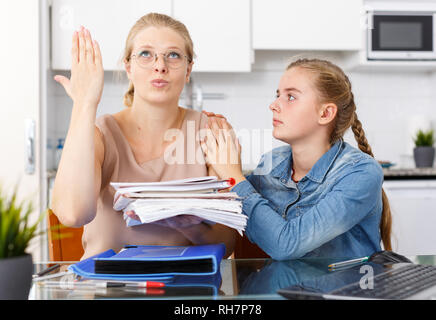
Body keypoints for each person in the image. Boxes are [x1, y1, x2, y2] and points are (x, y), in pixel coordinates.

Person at [50, 13, 236, 259]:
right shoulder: (99, 134)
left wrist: (186, 223)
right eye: (146, 54)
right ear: (128, 66)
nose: (160, 66)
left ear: (188, 69)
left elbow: (228, 244)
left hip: (186, 289)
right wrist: (85, 105)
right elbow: (73, 214)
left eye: (173, 55)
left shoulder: (212, 133)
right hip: (105, 291)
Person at [201, 58, 392, 260]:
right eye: (277, 95)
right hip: (281, 289)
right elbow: (232, 216)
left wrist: (233, 175)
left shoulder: (361, 172)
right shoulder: (271, 163)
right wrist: (217, 148)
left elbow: (287, 244)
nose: (273, 105)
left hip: (344, 290)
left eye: (290, 97)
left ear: (326, 113)